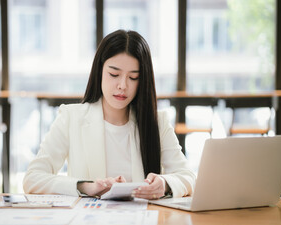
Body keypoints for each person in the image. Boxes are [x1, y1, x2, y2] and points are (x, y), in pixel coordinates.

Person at [23, 29, 196, 199]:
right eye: (114, 74)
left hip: (144, 224)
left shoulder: (157, 122)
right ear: (99, 72)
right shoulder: (71, 118)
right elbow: (33, 178)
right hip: (90, 223)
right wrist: (86, 186)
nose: (123, 85)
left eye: (133, 77)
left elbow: (188, 177)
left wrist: (164, 184)